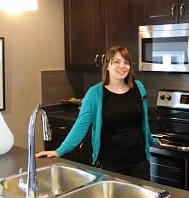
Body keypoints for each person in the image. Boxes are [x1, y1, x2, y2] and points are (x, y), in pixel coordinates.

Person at [36, 45, 159, 180]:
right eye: (116, 62)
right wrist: (59, 151)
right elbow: (80, 127)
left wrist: (151, 140)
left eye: (126, 62)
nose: (122, 66)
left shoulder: (139, 88)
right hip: (109, 164)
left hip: (139, 163)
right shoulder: (94, 94)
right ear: (107, 66)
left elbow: (143, 122)